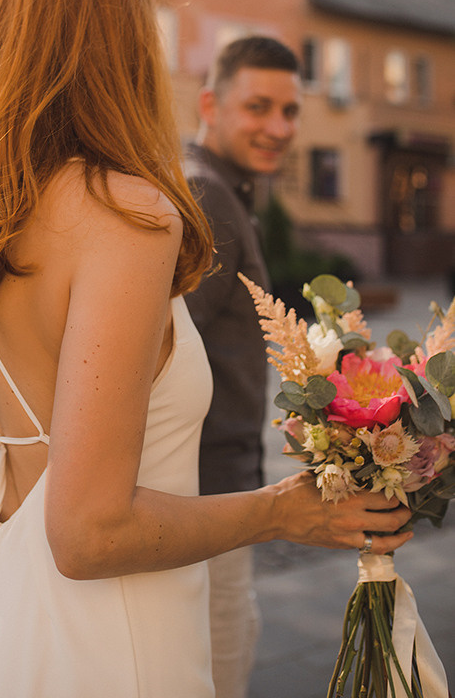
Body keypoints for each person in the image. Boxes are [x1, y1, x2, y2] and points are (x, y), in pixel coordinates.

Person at [0, 0, 412, 698]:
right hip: (107, 641)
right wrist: (281, 512)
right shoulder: (126, 215)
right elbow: (89, 533)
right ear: (121, 44)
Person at [184, 35, 302, 698]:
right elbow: (160, 361)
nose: (278, 127)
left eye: (289, 111)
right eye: (258, 107)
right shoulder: (205, 196)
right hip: (201, 500)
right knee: (218, 671)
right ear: (209, 103)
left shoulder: (223, 190)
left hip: (214, 495)